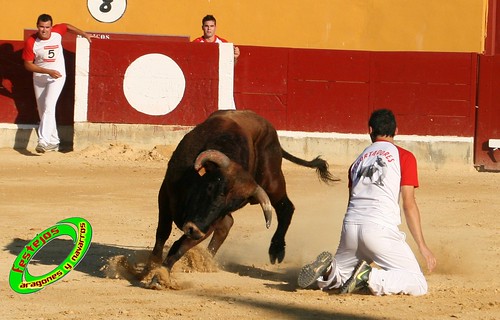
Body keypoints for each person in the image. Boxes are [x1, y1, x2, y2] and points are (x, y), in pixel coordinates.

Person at [298, 109, 437, 296]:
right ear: (396, 130)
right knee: (418, 283)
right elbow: (408, 203)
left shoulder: (357, 162)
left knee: (342, 277)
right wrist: (422, 246)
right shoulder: (404, 156)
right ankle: (370, 277)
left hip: (351, 226)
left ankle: (330, 271)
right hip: (379, 229)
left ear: (370, 129)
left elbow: (351, 202)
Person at [22, 14, 94, 153]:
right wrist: (46, 71)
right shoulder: (32, 41)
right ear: (37, 26)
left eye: (47, 27)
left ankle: (43, 141)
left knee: (49, 106)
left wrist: (84, 34)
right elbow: (28, 65)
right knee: (44, 110)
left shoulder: (57, 32)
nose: (44, 30)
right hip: (40, 77)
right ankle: (54, 142)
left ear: (51, 27)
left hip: (57, 77)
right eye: (41, 27)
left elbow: (67, 26)